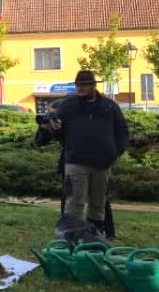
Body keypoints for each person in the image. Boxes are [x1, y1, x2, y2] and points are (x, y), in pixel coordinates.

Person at [51, 70, 128, 234]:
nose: (80, 88)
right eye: (77, 85)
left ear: (93, 86)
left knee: (98, 203)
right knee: (75, 201)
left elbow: (122, 130)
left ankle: (95, 234)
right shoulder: (68, 105)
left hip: (102, 164)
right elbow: (57, 129)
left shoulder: (109, 106)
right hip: (76, 162)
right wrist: (55, 128)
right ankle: (70, 234)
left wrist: (115, 152)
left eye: (84, 85)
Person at [35, 99, 116, 239]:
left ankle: (105, 231)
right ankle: (67, 231)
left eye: (55, 113)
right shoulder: (56, 123)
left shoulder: (77, 122)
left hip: (91, 162)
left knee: (98, 198)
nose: (53, 116)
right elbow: (40, 141)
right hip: (69, 164)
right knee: (69, 198)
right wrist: (44, 127)